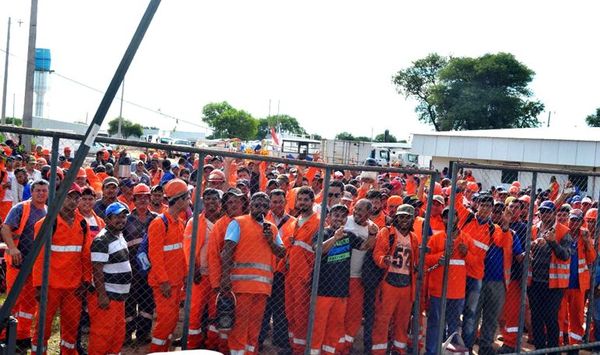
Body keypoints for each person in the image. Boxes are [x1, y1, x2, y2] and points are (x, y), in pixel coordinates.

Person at [219, 192, 285, 355]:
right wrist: (225, 278)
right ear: (250, 206)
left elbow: (282, 253)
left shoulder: (272, 228)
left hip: (262, 289)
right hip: (241, 287)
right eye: (257, 205)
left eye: (264, 206)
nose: (260, 209)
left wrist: (270, 240)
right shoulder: (238, 223)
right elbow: (227, 251)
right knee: (240, 327)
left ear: (268, 208)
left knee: (254, 328)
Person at [32, 184, 92, 355]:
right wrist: (38, 285)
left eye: (76, 197)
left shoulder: (82, 223)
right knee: (43, 327)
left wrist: (86, 280)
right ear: (59, 196)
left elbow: (86, 255)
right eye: (68, 196)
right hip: (50, 285)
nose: (73, 201)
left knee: (71, 328)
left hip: (74, 287)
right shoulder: (46, 224)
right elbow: (39, 256)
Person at [309, 204, 368, 354]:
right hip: (322, 291)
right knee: (317, 329)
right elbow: (318, 250)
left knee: (334, 329)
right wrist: (335, 238)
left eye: (343, 216)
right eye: (336, 215)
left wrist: (373, 234)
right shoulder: (322, 233)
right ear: (328, 218)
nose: (339, 219)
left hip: (341, 292)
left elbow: (364, 246)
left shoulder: (349, 236)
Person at [0, 180, 49, 352]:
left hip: (35, 267)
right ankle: (4, 336)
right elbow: (5, 228)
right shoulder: (21, 208)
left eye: (44, 190)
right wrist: (12, 249)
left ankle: (22, 336)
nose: (41, 193)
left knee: (29, 305)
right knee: (14, 301)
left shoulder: (48, 212)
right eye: (38, 190)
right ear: (32, 192)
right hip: (17, 264)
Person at [370, 204, 419, 354]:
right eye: (402, 216)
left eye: (407, 217)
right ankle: (379, 351)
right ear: (396, 217)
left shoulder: (414, 238)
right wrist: (384, 260)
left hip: (406, 284)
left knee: (402, 322)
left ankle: (399, 350)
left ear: (412, 220)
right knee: (382, 320)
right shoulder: (387, 232)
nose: (404, 220)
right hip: (389, 282)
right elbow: (377, 252)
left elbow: (415, 261)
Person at [425, 208, 474, 355]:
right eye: (446, 217)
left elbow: (476, 264)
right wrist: (440, 257)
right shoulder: (436, 238)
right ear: (443, 220)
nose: (449, 219)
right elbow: (426, 260)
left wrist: (467, 253)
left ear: (457, 218)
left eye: (453, 216)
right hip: (438, 290)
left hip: (457, 292)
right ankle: (432, 352)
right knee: (435, 324)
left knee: (453, 327)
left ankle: (449, 352)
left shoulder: (466, 239)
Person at [147, 179, 189, 352]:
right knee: (165, 322)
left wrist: (185, 275)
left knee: (172, 321)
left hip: (176, 281)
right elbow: (155, 256)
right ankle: (156, 352)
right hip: (164, 283)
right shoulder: (159, 224)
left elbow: (181, 252)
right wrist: (163, 281)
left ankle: (165, 350)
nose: (188, 202)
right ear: (179, 200)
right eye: (186, 198)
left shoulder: (179, 223)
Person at [88, 202, 132, 355]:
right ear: (107, 219)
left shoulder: (118, 235)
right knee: (102, 335)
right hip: (108, 296)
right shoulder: (102, 240)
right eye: (117, 217)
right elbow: (97, 270)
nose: (121, 220)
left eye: (123, 216)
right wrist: (102, 295)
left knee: (117, 333)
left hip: (118, 297)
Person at [528, 200, 571, 350]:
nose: (544, 214)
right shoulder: (533, 229)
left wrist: (553, 242)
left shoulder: (563, 231)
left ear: (554, 214)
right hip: (535, 282)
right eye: (542, 211)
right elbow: (527, 248)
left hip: (554, 285)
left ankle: (553, 349)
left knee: (550, 318)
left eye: (548, 211)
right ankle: (539, 349)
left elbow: (565, 255)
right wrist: (532, 246)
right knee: (536, 318)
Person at [183, 188, 222, 349]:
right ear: (203, 201)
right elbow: (187, 248)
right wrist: (193, 269)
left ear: (220, 202)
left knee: (215, 313)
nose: (211, 202)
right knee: (195, 313)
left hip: (217, 276)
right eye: (208, 199)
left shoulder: (224, 222)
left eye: (214, 199)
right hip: (199, 275)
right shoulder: (194, 222)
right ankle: (193, 346)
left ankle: (212, 345)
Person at [259, 189, 296, 350]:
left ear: (285, 202)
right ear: (269, 203)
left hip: (282, 272)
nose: (278, 205)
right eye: (274, 202)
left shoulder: (294, 222)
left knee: (280, 307)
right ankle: (259, 339)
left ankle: (280, 340)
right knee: (263, 308)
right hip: (265, 269)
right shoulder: (261, 219)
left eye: (281, 202)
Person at [285, 186, 320, 353]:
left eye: (306, 199)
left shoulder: (318, 222)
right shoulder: (293, 221)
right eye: (300, 199)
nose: (303, 202)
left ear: (312, 202)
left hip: (305, 274)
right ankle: (293, 346)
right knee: (289, 312)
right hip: (290, 273)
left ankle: (300, 349)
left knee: (301, 314)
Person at [341, 199, 378, 354]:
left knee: (354, 314)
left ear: (369, 213)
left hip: (358, 278)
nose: (356, 212)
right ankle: (336, 346)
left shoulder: (372, 228)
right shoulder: (345, 221)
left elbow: (370, 246)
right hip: (339, 275)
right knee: (338, 313)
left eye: (361, 210)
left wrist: (372, 234)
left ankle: (346, 345)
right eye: (355, 208)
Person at [122, 183, 157, 345]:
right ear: (133, 199)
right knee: (129, 302)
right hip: (130, 269)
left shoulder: (156, 219)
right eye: (139, 197)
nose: (143, 200)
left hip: (150, 268)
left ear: (150, 199)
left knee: (147, 302)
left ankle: (143, 334)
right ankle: (127, 334)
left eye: (145, 197)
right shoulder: (125, 220)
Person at [557, 209, 595, 346]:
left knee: (577, 317)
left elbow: (591, 259)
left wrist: (587, 242)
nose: (574, 223)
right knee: (559, 316)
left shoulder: (585, 236)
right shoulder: (562, 233)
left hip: (578, 285)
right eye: (572, 219)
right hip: (562, 283)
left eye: (577, 220)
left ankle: (575, 344)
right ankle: (558, 343)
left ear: (581, 222)